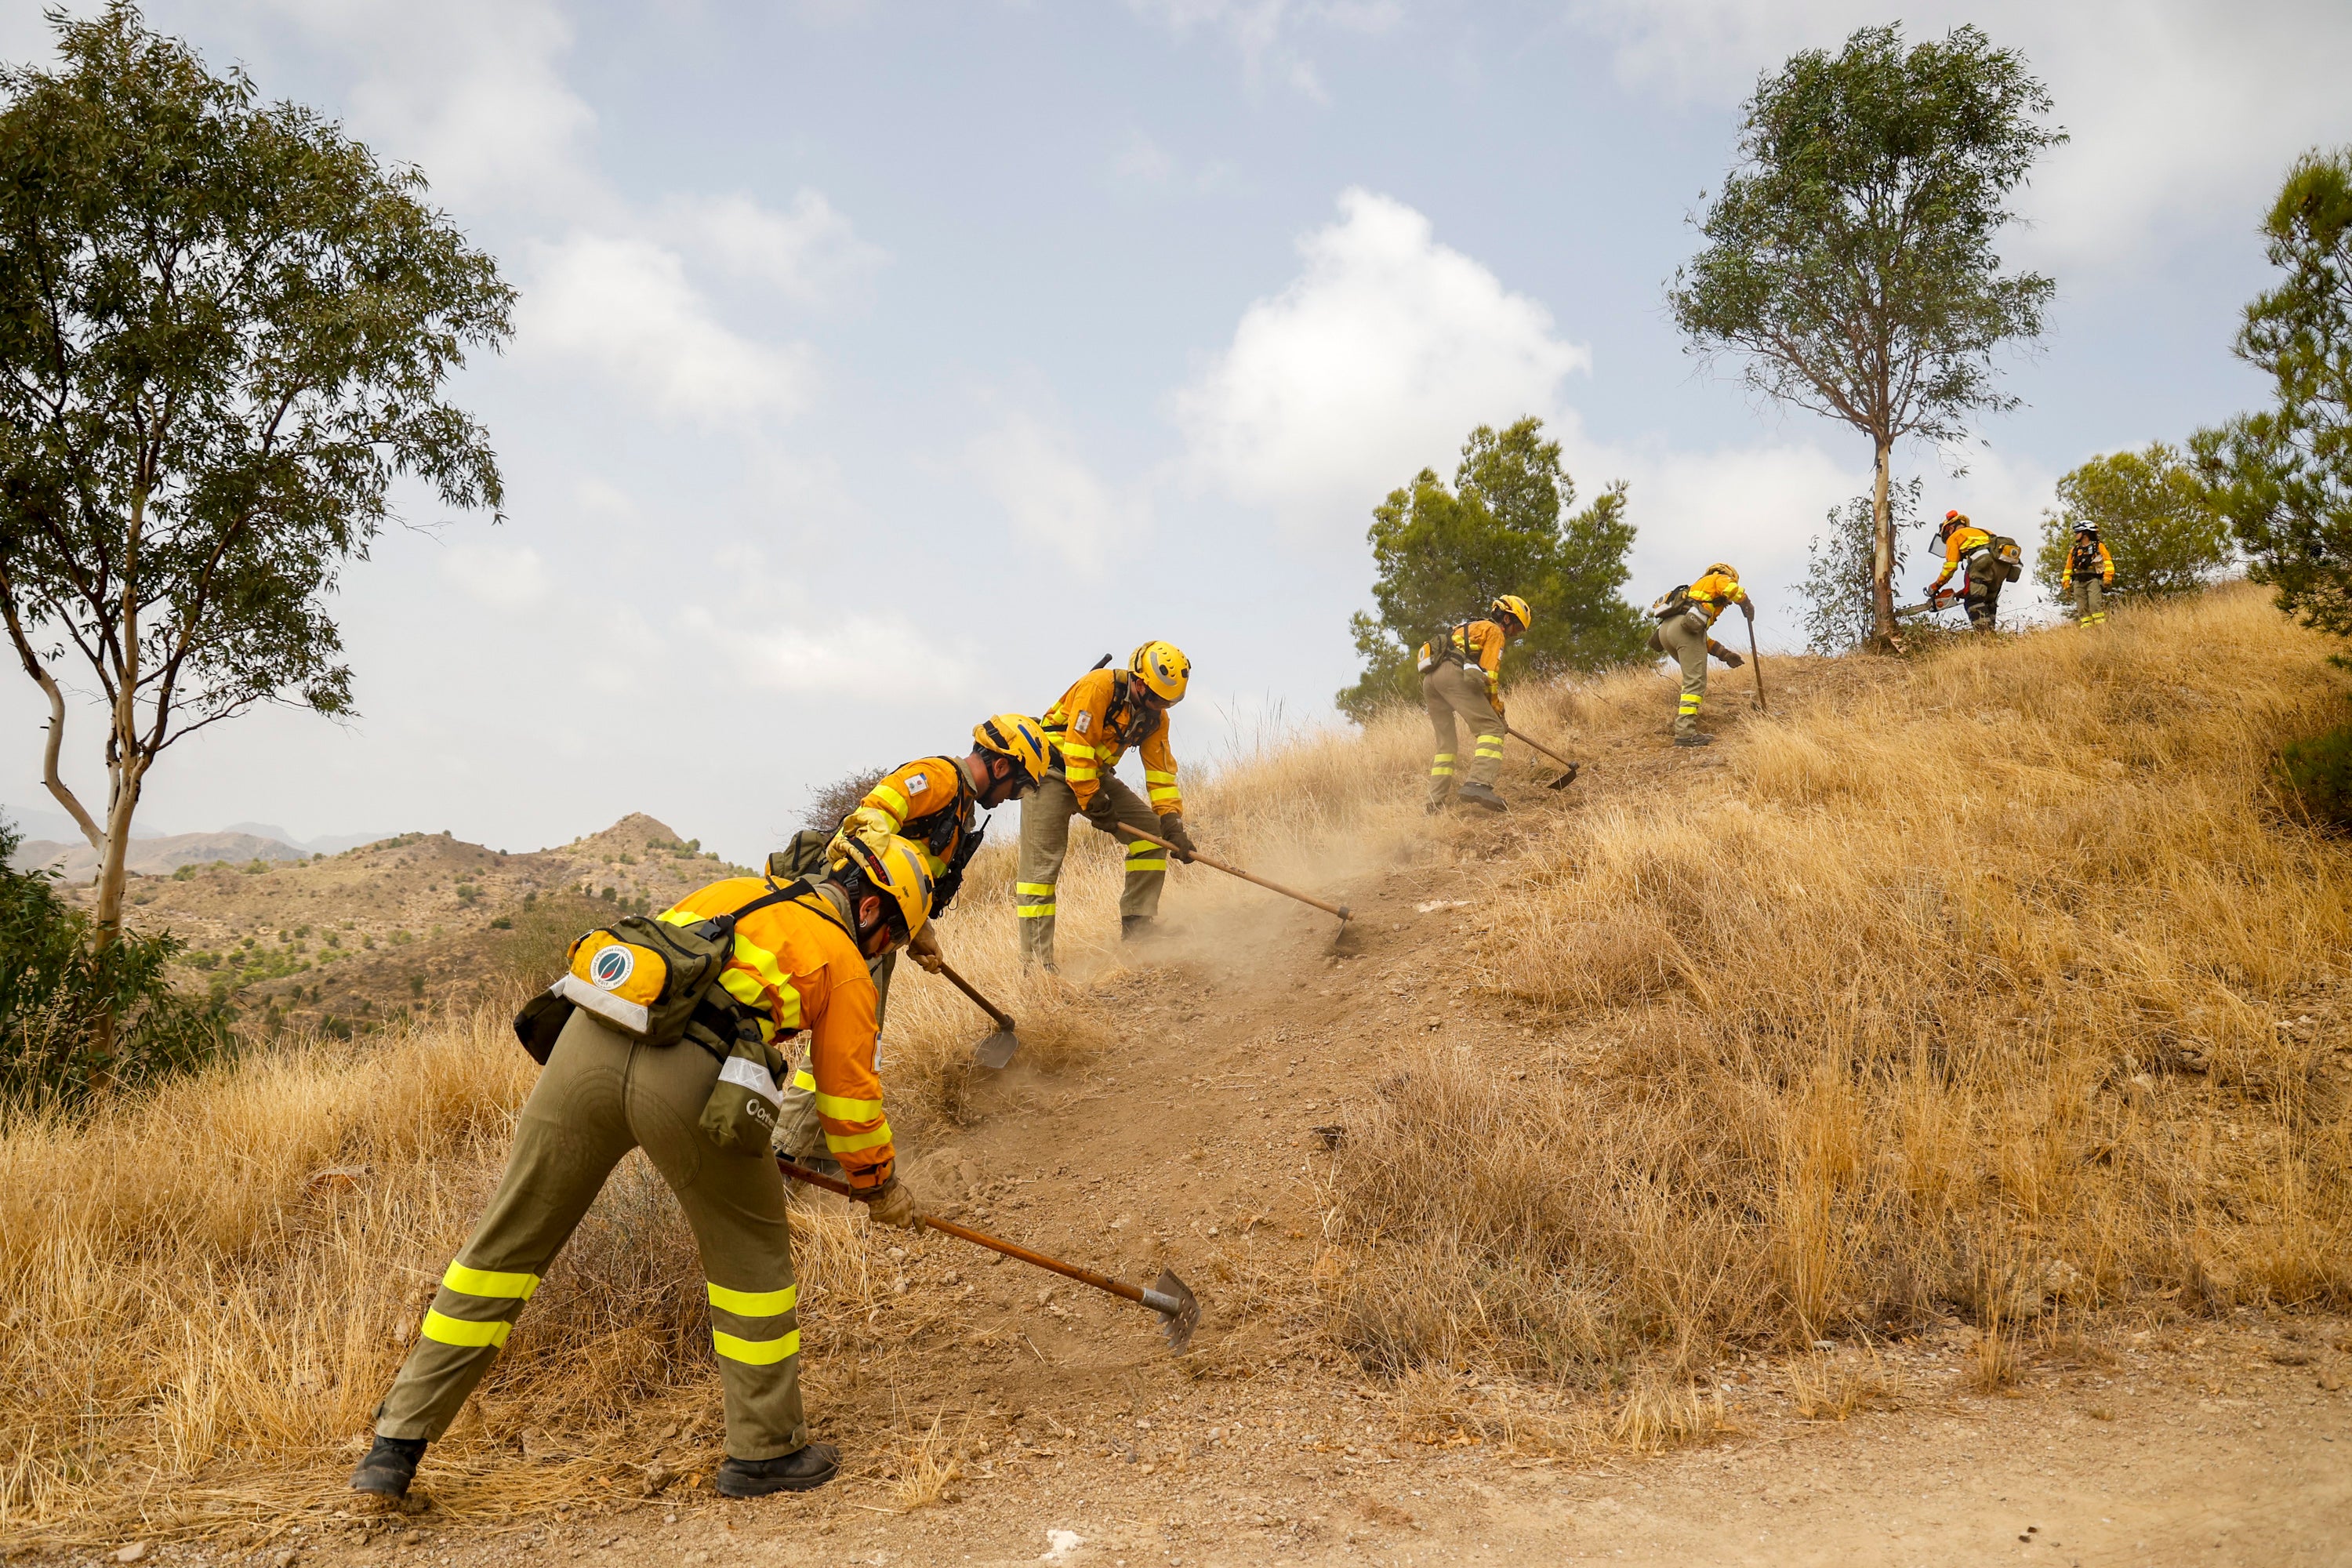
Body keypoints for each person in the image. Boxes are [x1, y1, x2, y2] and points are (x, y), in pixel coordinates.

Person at [347, 836, 937, 1504]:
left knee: (504, 1245)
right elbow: (849, 1101)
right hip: (692, 1081)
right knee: (752, 1258)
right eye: (890, 938)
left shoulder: (730, 892)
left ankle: (394, 1447)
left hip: (585, 1048)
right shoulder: (846, 966)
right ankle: (765, 1452)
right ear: (876, 918)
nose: (882, 950)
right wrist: (880, 1186)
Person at [771, 715, 1057, 1166]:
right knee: (849, 1037)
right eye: (1017, 787)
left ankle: (821, 1152)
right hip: (853, 923)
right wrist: (903, 918)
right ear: (1001, 768)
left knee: (861, 1038)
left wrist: (919, 929)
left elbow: (914, 875)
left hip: (879, 931)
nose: (1012, 799)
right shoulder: (938, 778)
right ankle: (784, 1154)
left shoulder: (963, 808)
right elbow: (867, 820)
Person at [1018, 641, 1192, 969]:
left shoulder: (1156, 717)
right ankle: (1037, 968)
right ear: (1139, 682)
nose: (1161, 705)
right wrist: (1093, 801)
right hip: (1051, 772)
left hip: (1094, 776)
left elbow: (1161, 774)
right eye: (1157, 697)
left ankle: (1138, 928)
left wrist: (1172, 822)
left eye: (1169, 701)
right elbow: (1078, 747)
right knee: (1039, 875)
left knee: (1150, 837)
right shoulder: (1098, 687)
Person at [1418, 594, 1530, 813]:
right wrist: (1498, 712)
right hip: (1452, 675)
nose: (1514, 634)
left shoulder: (1467, 626)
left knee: (1446, 746)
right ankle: (1478, 784)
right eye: (1517, 628)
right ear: (1506, 618)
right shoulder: (1494, 632)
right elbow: (1489, 677)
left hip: (1430, 681)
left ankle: (1433, 803)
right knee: (1492, 728)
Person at [1650, 564, 1750, 748]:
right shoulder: (1719, 577)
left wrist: (1724, 654)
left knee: (1692, 678)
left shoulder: (1696, 591)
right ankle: (1685, 733)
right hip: (1682, 630)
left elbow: (1699, 637)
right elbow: (1731, 589)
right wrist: (1745, 602)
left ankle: (1685, 729)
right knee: (1695, 681)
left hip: (1665, 632)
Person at [1928, 511, 2006, 633]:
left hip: (1983, 563)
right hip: (2002, 567)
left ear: (1950, 528)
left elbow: (1951, 567)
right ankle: (1991, 637)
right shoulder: (1983, 532)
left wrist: (1936, 585)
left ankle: (1985, 636)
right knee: (1988, 602)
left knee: (1973, 600)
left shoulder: (1954, 536)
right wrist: (1966, 590)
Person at [2060, 522, 2115, 626]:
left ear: (2085, 533)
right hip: (2078, 582)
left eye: (2078, 532)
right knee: (2082, 608)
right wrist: (2066, 583)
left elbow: (2108, 563)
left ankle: (2101, 629)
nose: (2075, 534)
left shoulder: (2098, 546)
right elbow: (2068, 568)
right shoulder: (2074, 550)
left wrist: (2108, 577)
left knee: (2095, 605)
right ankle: (2087, 630)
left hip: (2093, 579)